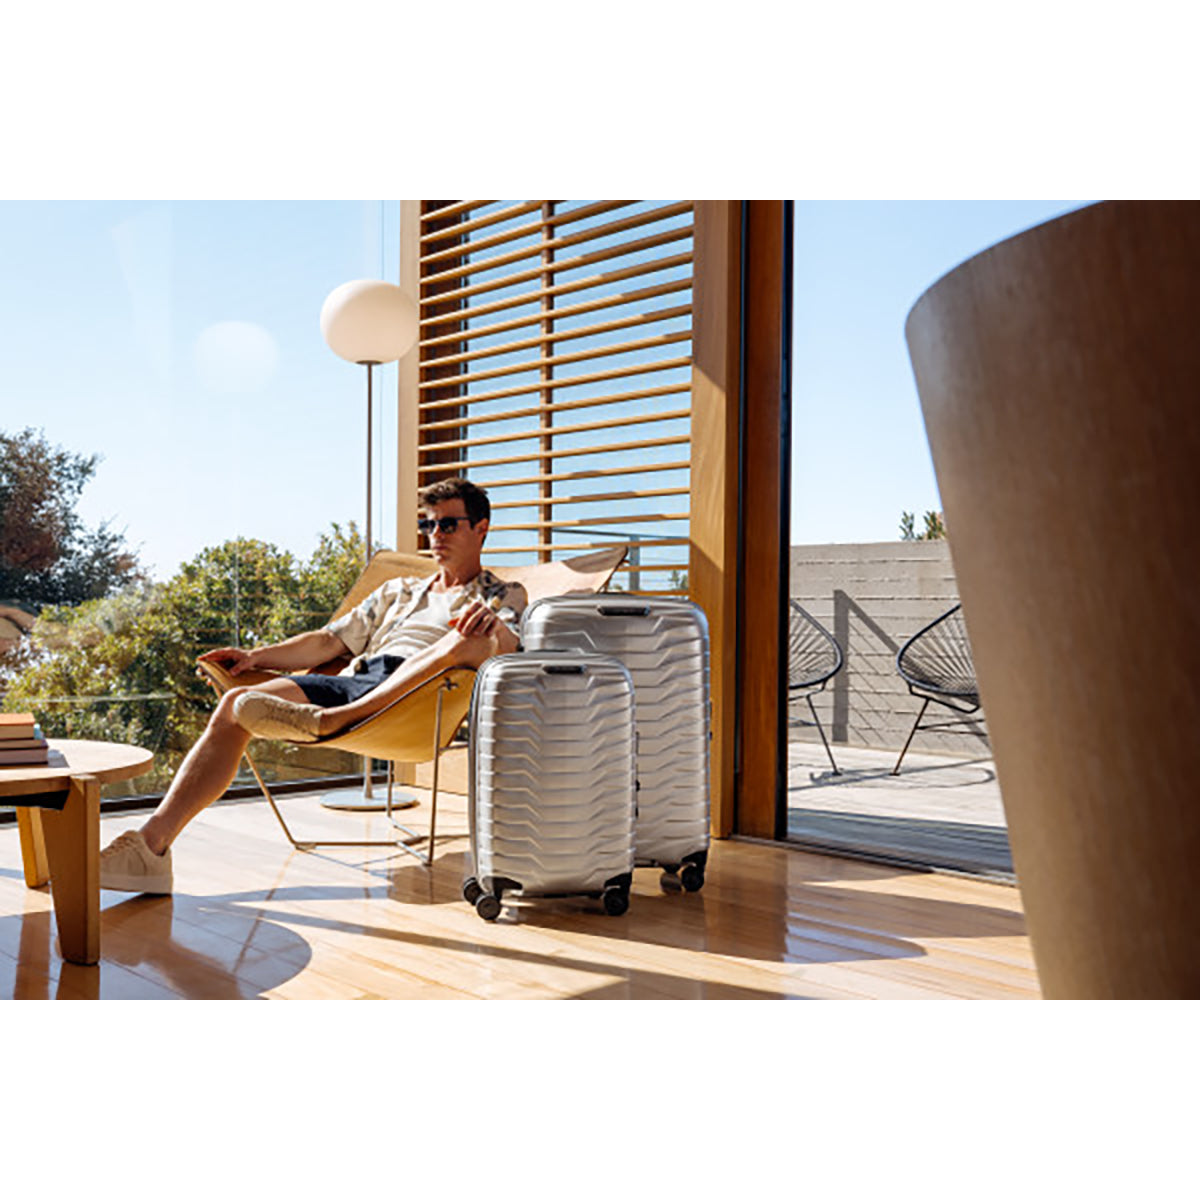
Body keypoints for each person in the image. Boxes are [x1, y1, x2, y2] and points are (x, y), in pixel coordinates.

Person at [98, 477, 525, 894]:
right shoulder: (398, 591)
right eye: (427, 524)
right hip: (359, 680)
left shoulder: (501, 595)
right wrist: (255, 657)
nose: (435, 534)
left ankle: (339, 719)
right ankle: (151, 847)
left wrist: (491, 626)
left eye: (447, 524)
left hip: (420, 698)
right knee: (235, 704)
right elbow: (327, 641)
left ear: (481, 528)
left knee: (469, 639)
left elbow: (509, 649)